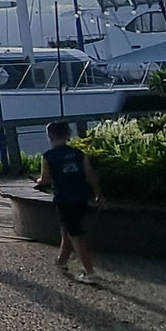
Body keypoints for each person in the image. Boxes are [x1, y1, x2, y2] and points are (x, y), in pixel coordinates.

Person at [35, 120, 103, 284]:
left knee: (75, 234)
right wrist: (98, 195)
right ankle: (62, 261)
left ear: (50, 135)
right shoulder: (78, 154)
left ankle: (89, 272)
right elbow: (90, 175)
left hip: (64, 199)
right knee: (68, 228)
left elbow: (45, 180)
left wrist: (37, 181)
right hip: (82, 198)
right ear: (68, 135)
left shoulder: (48, 157)